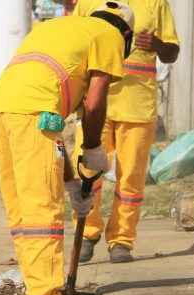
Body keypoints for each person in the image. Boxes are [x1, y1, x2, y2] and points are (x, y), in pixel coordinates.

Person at [0, 2, 134, 295]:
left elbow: (51, 139)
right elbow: (94, 103)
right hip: (34, 113)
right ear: (127, 34)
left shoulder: (59, 27)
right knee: (42, 212)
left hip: (1, 109)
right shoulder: (109, 35)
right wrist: (93, 147)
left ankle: (34, 286)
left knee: (22, 210)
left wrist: (70, 183)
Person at [70, 0, 180, 263]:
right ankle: (86, 232)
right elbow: (73, 45)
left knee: (131, 177)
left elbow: (172, 52)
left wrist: (157, 46)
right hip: (95, 103)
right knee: (85, 170)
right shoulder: (87, 3)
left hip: (138, 105)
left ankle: (121, 240)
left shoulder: (155, 4)